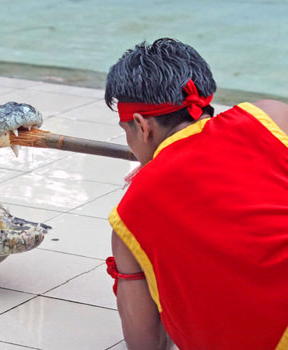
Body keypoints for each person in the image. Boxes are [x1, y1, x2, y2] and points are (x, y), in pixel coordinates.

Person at [104, 38, 288, 350]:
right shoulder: (272, 116)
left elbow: (147, 345)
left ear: (141, 125)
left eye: (126, 132)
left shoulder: (128, 218)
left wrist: (155, 175)